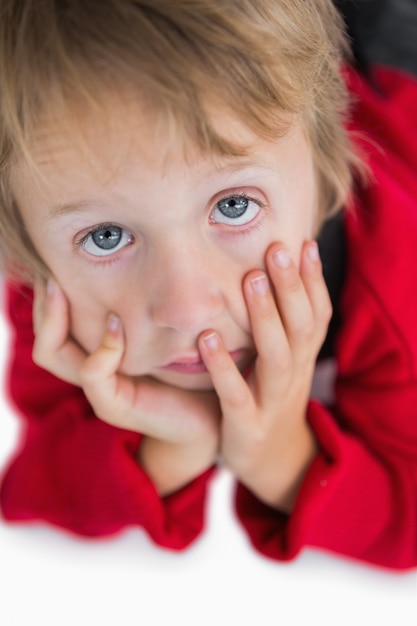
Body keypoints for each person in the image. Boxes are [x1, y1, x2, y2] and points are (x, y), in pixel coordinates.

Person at [0, 0, 416, 571]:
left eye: (235, 205)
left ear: (323, 185)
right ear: (25, 248)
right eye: (105, 237)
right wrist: (174, 442)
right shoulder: (55, 297)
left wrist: (279, 454)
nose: (189, 310)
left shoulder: (392, 276)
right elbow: (34, 490)